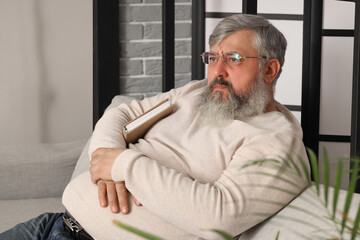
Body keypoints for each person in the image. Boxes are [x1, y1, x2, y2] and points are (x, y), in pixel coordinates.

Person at [0, 14, 309, 240]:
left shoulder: (276, 141)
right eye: (212, 57)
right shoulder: (195, 92)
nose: (217, 71)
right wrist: (105, 155)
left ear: (270, 69)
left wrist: (122, 164)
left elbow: (218, 216)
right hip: (54, 223)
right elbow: (123, 113)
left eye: (233, 59)